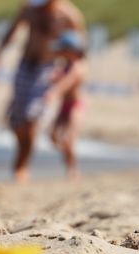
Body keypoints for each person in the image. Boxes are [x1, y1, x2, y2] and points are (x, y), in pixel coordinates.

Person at [0, 0, 84, 183]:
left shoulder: (69, 15)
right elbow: (12, 31)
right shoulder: (29, 9)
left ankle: (22, 165)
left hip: (47, 68)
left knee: (32, 116)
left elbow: (78, 46)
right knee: (17, 120)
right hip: (25, 64)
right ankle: (22, 151)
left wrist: (69, 73)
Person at [46, 30, 87, 180]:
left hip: (76, 106)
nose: (60, 53)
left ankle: (73, 170)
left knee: (69, 139)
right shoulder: (65, 65)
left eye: (63, 50)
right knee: (53, 135)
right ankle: (68, 161)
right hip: (63, 106)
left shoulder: (79, 66)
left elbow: (69, 81)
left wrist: (54, 92)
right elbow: (57, 77)